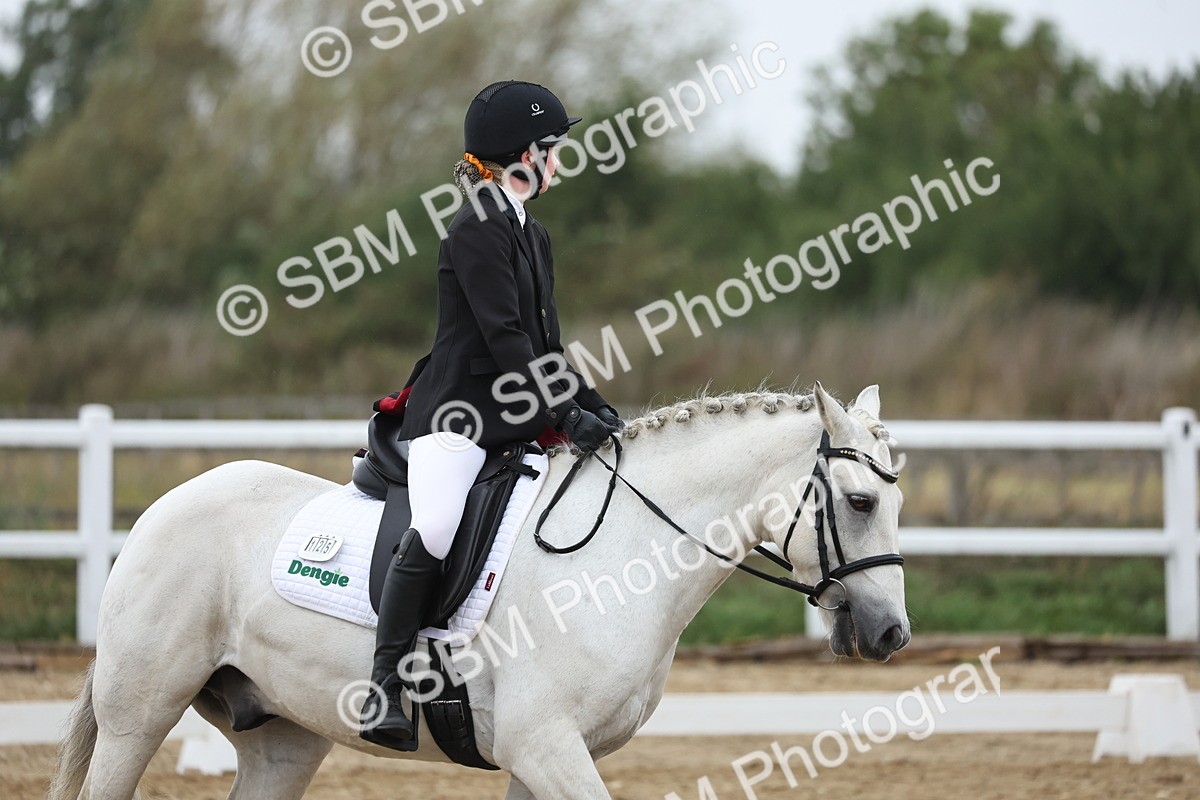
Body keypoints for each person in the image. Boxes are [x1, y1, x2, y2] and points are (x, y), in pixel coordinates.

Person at [359, 80, 624, 751]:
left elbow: (546, 345)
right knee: (440, 525)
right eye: (555, 147)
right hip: (455, 417)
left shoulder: (531, 232)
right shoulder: (477, 224)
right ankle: (384, 685)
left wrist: (591, 404)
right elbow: (505, 337)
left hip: (509, 413)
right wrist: (560, 407)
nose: (562, 158)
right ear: (523, 154)